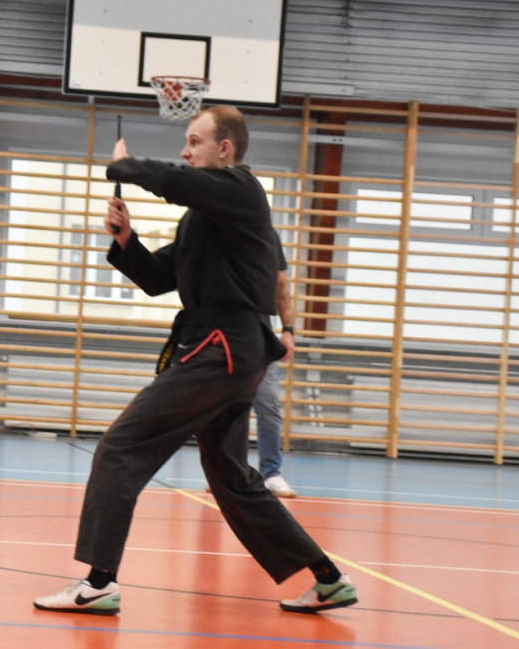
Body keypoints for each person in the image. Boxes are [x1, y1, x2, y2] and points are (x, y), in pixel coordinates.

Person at [33, 106, 356, 615]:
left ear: (224, 148)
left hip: (222, 348)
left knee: (121, 448)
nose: (186, 150)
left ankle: (98, 583)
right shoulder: (206, 217)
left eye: (194, 141)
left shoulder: (241, 189)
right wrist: (125, 241)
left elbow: (175, 180)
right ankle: (328, 577)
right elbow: (161, 277)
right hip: (229, 351)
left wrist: (125, 166)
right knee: (230, 477)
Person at [256, 237, 297, 499]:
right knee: (224, 409)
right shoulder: (213, 224)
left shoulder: (265, 233)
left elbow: (280, 282)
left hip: (259, 335)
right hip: (220, 332)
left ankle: (271, 473)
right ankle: (226, 472)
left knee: (268, 404)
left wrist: (288, 330)